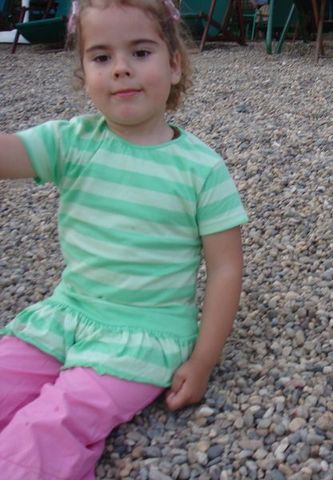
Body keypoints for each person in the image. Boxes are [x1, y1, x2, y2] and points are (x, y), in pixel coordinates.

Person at [0, 0, 248, 477]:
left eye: (140, 52)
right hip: (64, 315)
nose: (120, 69)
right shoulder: (72, 142)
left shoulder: (201, 169)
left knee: (53, 423)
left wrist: (203, 360)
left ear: (174, 65)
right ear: (84, 74)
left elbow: (225, 267)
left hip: (144, 336)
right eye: (101, 57)